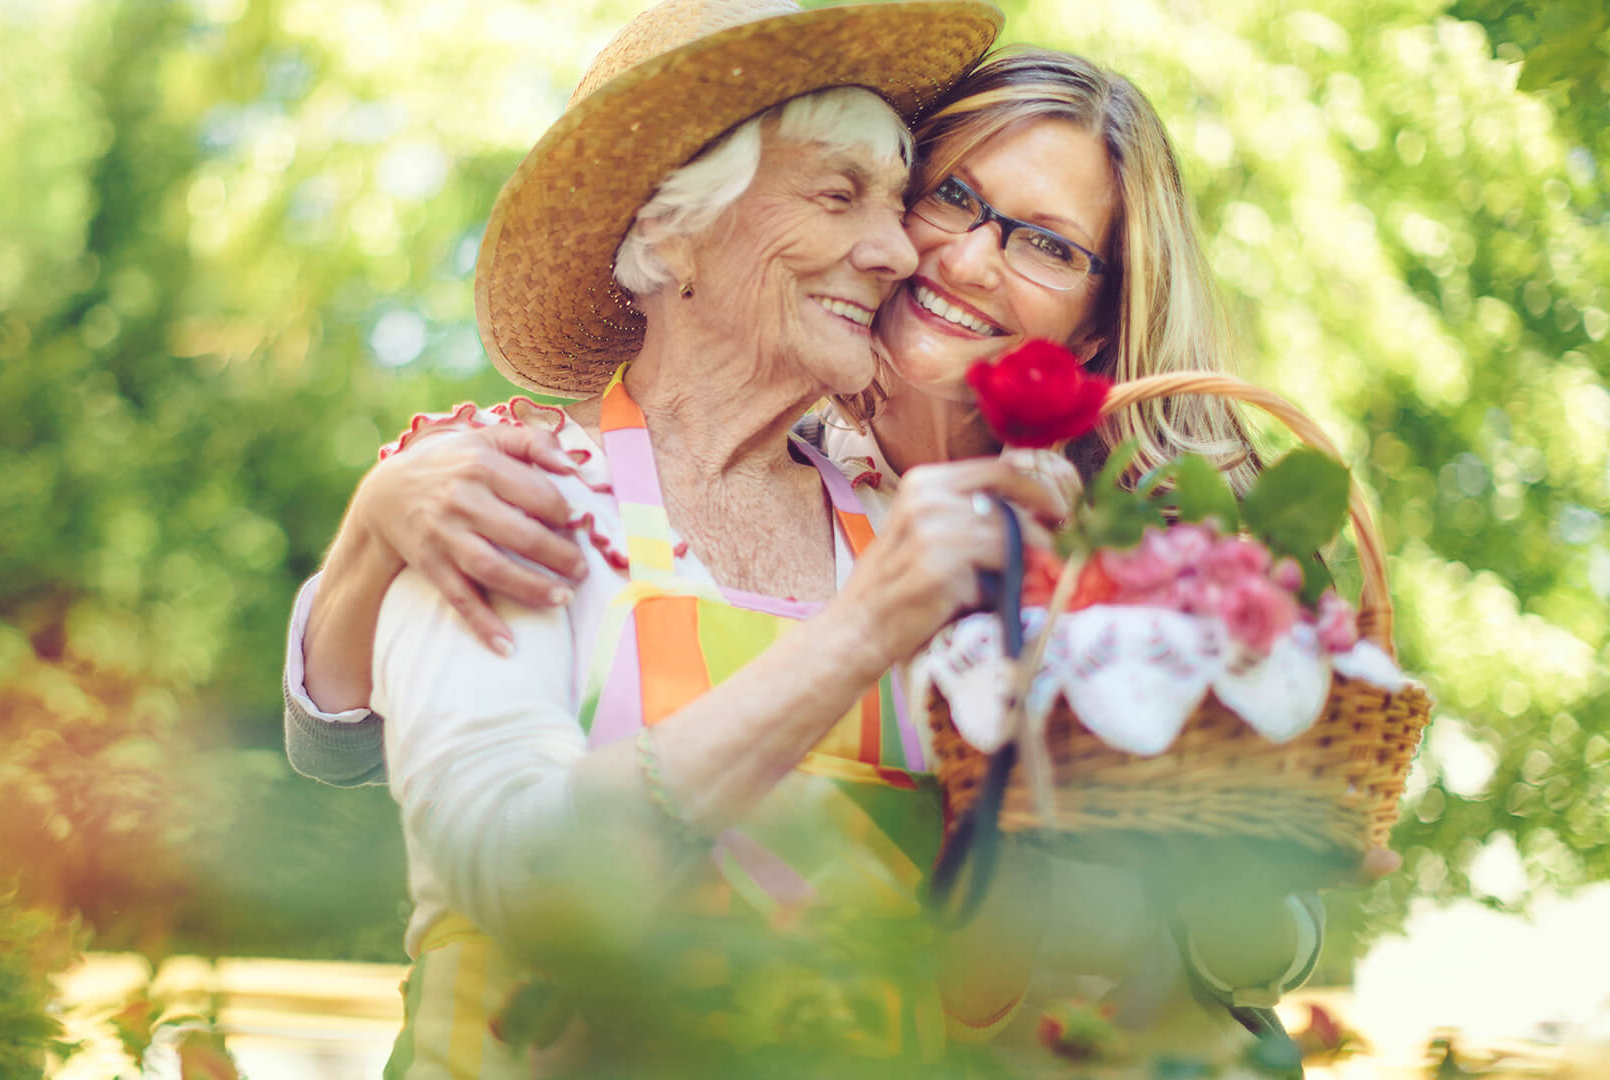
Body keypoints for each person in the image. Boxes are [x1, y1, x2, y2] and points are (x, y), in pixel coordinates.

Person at [290, 26, 1369, 1072]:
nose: (921, 251)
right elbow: (481, 844)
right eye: (930, 196)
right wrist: (370, 536)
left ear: (1092, 330)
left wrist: (1228, 881)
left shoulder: (992, 539)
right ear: (676, 228)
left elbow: (996, 966)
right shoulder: (515, 489)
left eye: (1045, 242)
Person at [320, 0, 1065, 1073]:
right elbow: (522, 875)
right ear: (678, 232)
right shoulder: (504, 494)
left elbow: (979, 988)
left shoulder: (896, 534)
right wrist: (856, 638)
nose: (899, 250)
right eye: (838, 193)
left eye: (898, 203)